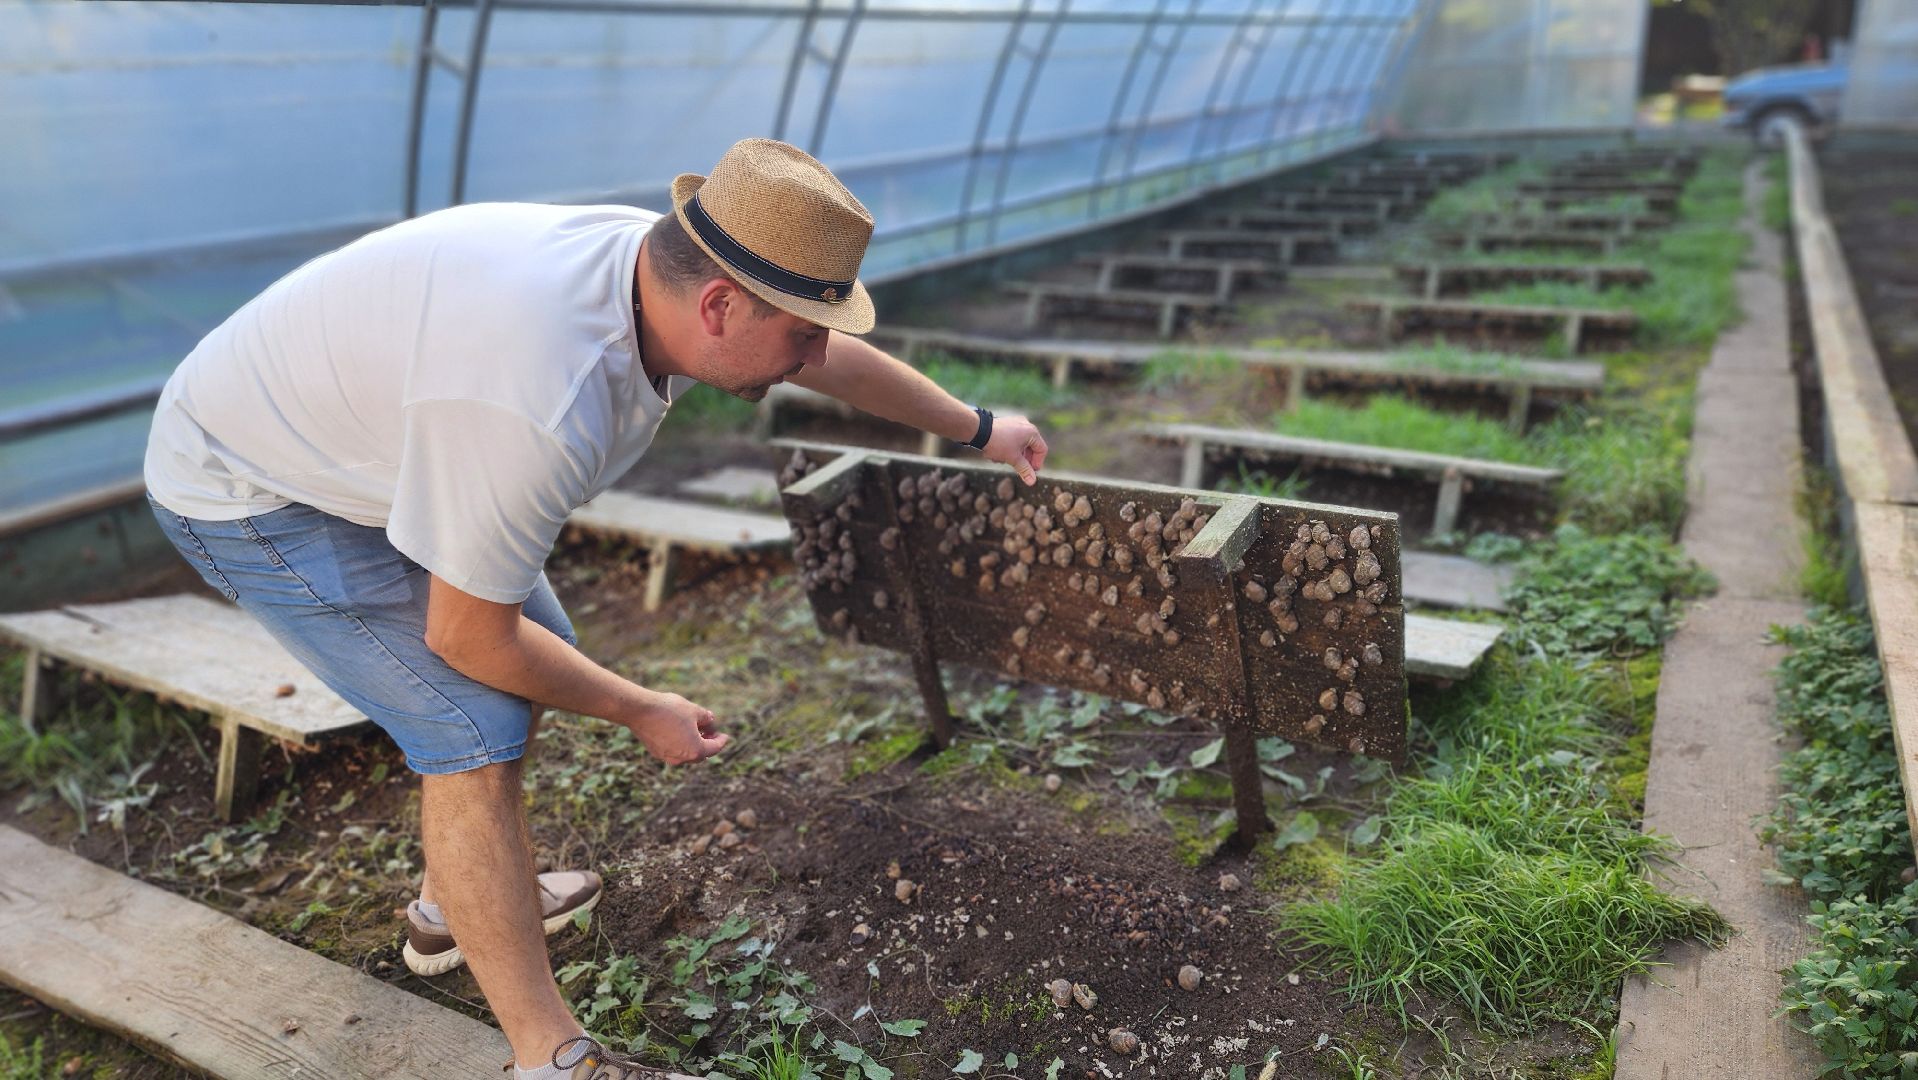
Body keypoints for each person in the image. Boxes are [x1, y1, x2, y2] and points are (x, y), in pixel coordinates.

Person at [143, 138, 1048, 1079]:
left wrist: (976, 426)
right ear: (719, 306)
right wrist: (639, 707)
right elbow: (469, 638)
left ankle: (448, 912)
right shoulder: (541, 397)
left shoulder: (667, 267)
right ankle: (552, 1057)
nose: (815, 355)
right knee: (475, 719)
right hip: (247, 482)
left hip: (358, 436)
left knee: (544, 652)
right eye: (803, 335)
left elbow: (820, 358)